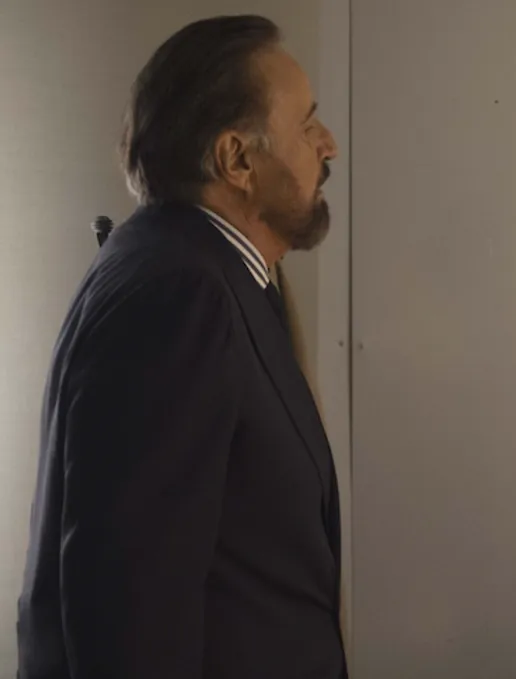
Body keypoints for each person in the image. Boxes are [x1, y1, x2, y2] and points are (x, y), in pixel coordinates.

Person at [17, 15, 345, 679]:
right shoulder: (179, 295)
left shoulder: (200, 273)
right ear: (236, 160)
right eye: (307, 124)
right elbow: (129, 613)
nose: (328, 145)